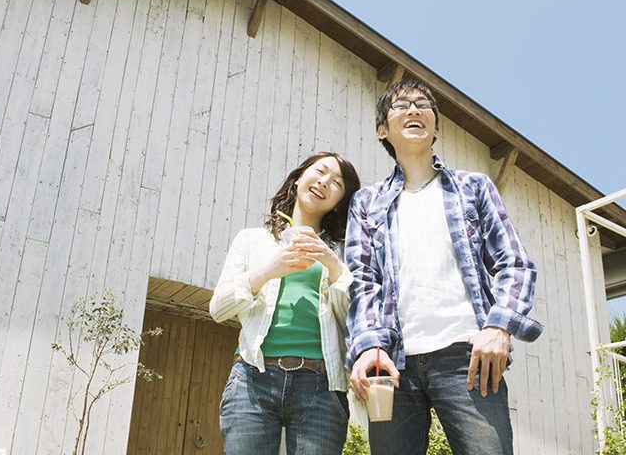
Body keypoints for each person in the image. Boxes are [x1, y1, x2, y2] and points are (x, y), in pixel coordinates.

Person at [345, 79, 543, 455]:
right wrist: (368, 348)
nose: (414, 110)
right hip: (392, 366)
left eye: (423, 105)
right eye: (401, 106)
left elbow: (514, 262)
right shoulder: (366, 203)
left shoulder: (474, 187)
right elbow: (363, 282)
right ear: (382, 131)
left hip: (467, 358)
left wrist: (499, 327)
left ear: (436, 127)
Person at [210, 152, 361, 455]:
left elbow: (354, 321)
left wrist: (333, 266)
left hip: (320, 385)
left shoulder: (345, 252)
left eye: (337, 183)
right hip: (253, 377)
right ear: (298, 177)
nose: (324, 183)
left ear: (339, 202)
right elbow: (219, 309)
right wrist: (268, 270)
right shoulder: (251, 240)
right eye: (319, 172)